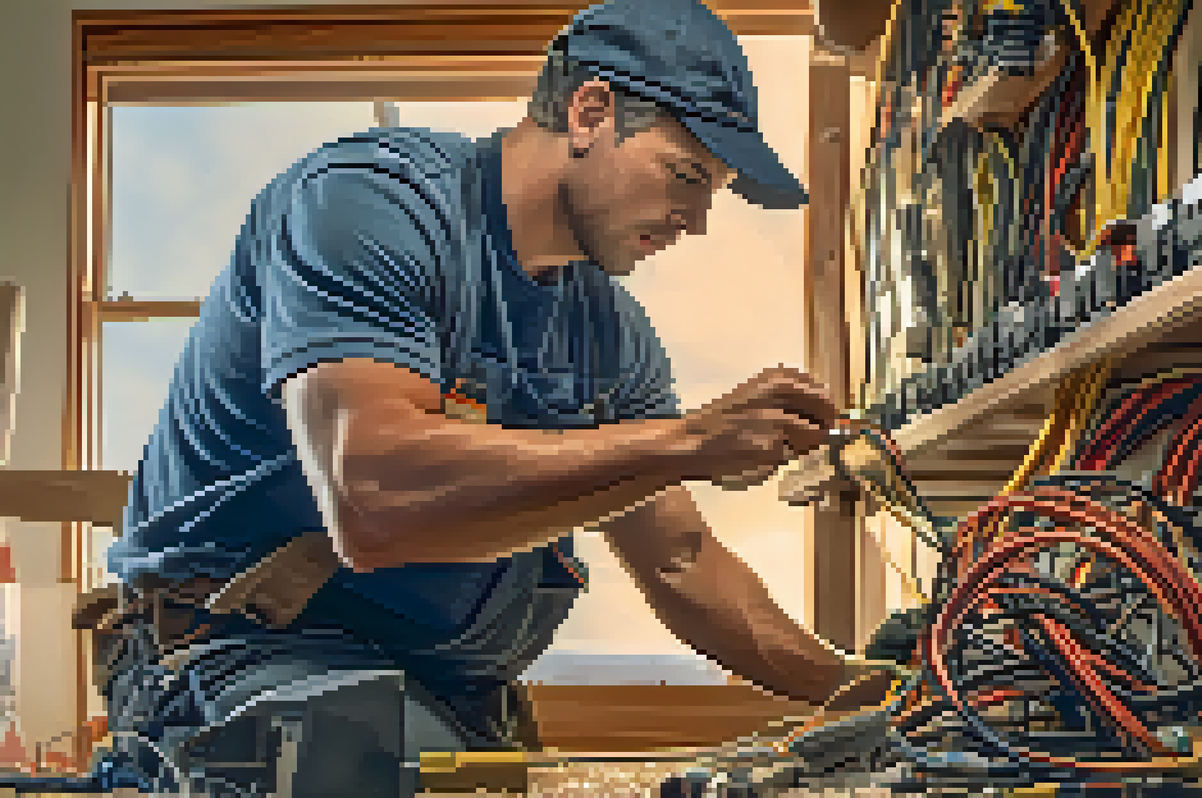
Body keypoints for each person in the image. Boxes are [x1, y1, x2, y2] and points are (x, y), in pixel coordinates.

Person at [78, 0, 895, 794]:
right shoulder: (372, 204)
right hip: (246, 660)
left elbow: (680, 561)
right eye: (686, 175)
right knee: (358, 750)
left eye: (711, 188)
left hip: (449, 693)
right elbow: (371, 496)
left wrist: (867, 693)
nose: (696, 219)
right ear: (589, 110)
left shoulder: (610, 334)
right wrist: (686, 443)